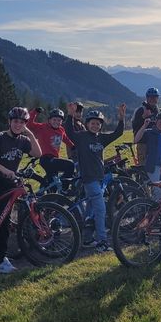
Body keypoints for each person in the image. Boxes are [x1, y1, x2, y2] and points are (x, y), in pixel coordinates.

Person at [0, 107, 39, 274]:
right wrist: (4, 170)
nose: (18, 125)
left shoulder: (23, 140)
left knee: (4, 222)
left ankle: (0, 261)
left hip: (9, 181)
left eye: (22, 122)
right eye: (15, 121)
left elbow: (37, 153)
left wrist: (29, 132)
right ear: (9, 122)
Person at [65, 102, 126, 252]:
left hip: (99, 178)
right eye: (92, 123)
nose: (95, 126)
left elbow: (117, 133)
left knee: (91, 210)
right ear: (87, 124)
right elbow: (69, 131)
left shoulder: (101, 138)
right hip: (88, 179)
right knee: (100, 209)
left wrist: (121, 118)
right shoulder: (81, 137)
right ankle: (102, 242)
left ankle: (86, 238)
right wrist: (70, 114)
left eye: (98, 124)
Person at [26, 107, 76, 188]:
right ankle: (65, 188)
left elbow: (65, 139)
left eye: (59, 120)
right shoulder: (42, 127)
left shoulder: (61, 130)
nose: (57, 122)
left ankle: (42, 195)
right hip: (46, 159)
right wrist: (35, 112)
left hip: (54, 158)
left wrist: (73, 146)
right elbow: (29, 124)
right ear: (49, 120)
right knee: (70, 165)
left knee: (52, 183)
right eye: (54, 119)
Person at [134, 110, 161, 189]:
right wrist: (144, 125)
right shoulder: (150, 133)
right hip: (153, 167)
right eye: (160, 121)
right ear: (156, 121)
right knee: (158, 190)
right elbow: (136, 140)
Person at [131, 88, 160, 165]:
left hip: (153, 142)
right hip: (142, 142)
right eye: (150, 97)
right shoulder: (141, 110)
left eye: (155, 97)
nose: (152, 99)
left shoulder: (157, 111)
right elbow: (134, 125)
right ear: (147, 98)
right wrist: (142, 118)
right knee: (143, 167)